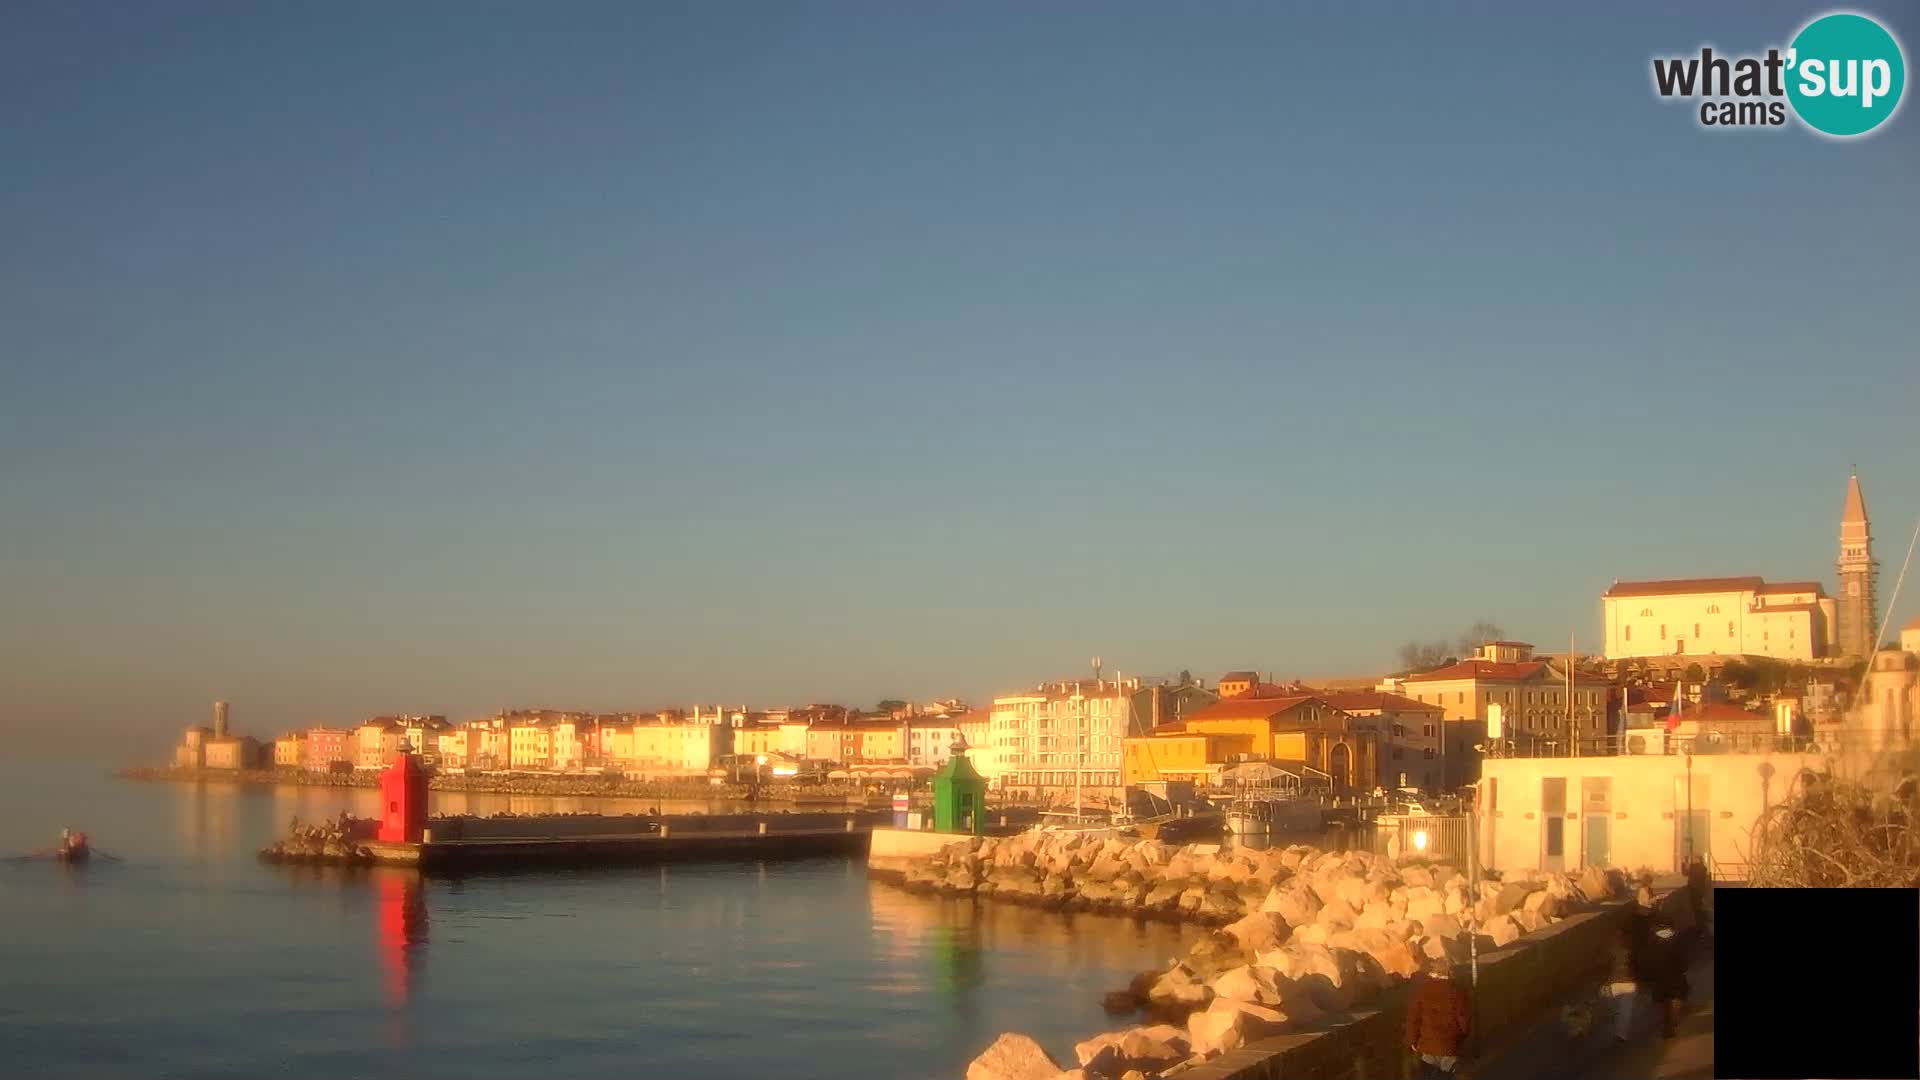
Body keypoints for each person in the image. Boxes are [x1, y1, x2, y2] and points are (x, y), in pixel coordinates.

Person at [1405, 954, 1472, 1078]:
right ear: (1450, 972)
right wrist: (1462, 1037)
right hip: (1449, 1046)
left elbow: (1413, 1019)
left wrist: (1412, 1040)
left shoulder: (1422, 990)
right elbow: (1463, 1019)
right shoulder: (1457, 991)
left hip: (1428, 1046)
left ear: (1433, 972)